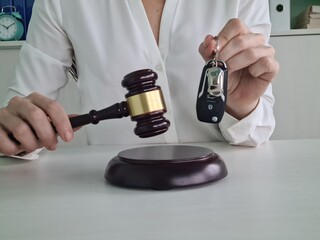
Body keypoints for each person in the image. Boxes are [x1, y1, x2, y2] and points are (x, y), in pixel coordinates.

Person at [0, 0, 279, 156]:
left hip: (227, 193)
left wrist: (241, 107)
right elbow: (19, 118)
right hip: (110, 199)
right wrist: (17, 132)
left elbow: (258, 130)